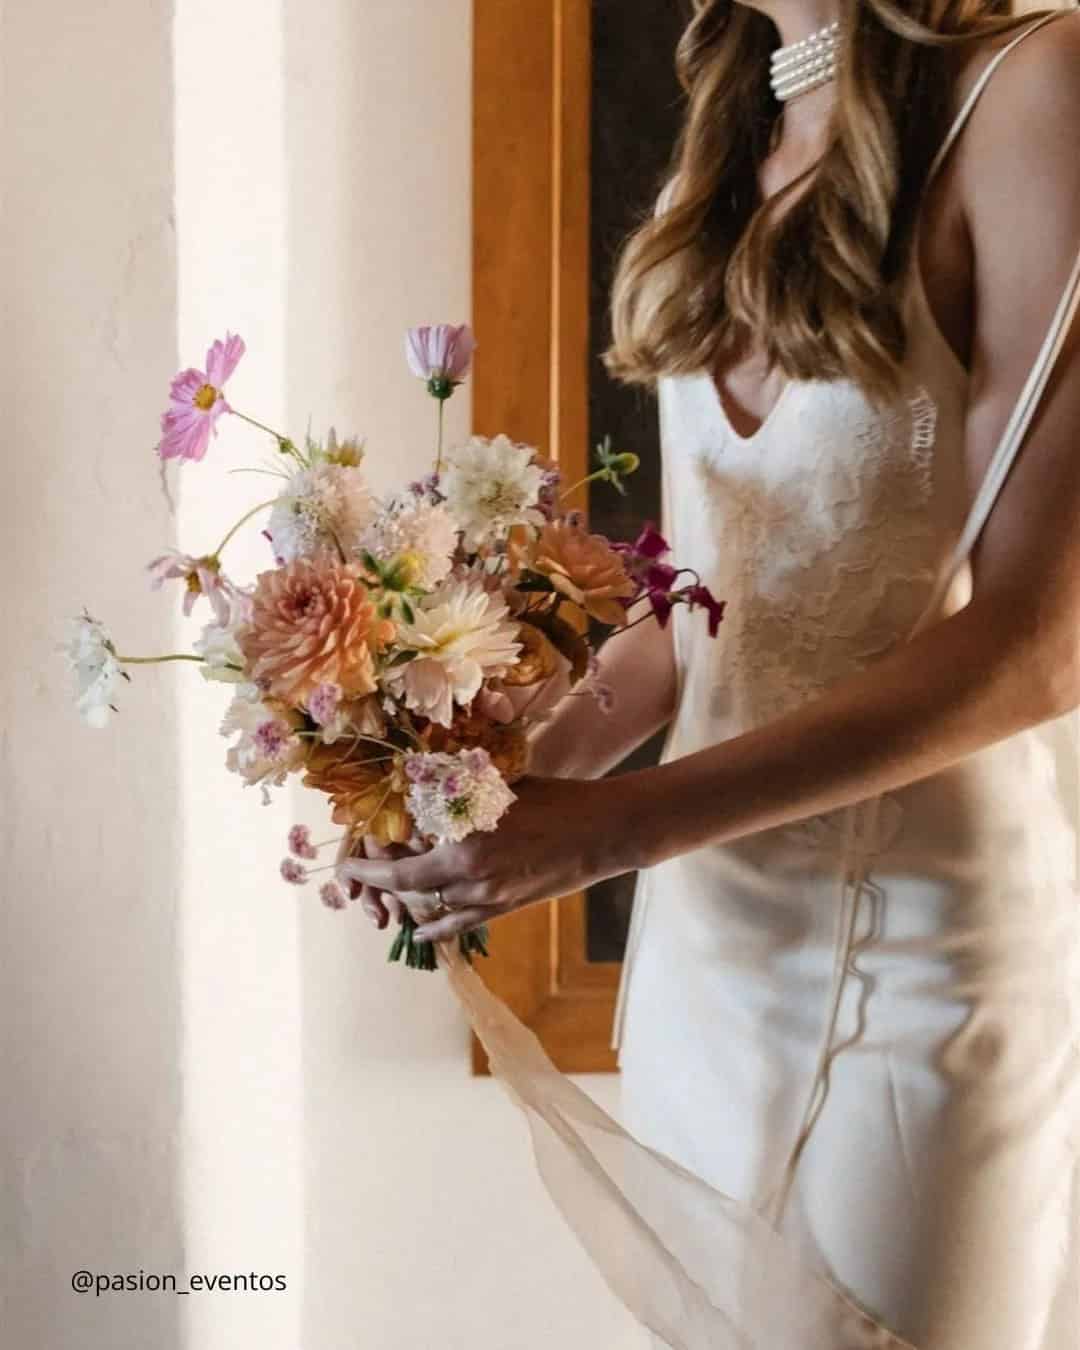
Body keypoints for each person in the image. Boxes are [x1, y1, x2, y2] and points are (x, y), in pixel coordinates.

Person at [345, 4, 1080, 1345]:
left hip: (921, 972)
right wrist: (497, 796)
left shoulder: (1037, 90)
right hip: (712, 959)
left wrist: (611, 835)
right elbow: (704, 620)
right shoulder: (722, 156)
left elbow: (1041, 645)